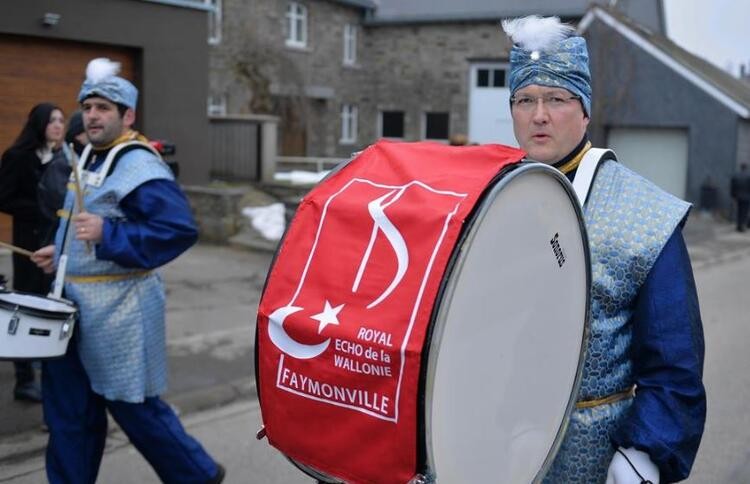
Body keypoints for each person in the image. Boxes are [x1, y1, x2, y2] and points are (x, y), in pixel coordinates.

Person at [502, 16, 706, 483]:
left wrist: (646, 450)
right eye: (525, 100)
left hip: (596, 456)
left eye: (556, 98)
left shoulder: (645, 215)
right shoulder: (486, 198)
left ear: (585, 110)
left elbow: (675, 360)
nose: (539, 115)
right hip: (501, 449)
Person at [31, 58, 225, 484]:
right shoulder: (91, 157)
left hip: (119, 311)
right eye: (89, 106)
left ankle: (197, 475)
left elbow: (176, 231)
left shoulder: (139, 164)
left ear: (127, 115)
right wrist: (59, 252)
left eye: (104, 107)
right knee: (69, 412)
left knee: (134, 408)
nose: (92, 115)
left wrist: (108, 234)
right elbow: (85, 224)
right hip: (72, 307)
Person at [0, 102, 66, 403]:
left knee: (51, 306)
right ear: (39, 124)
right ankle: (23, 379)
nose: (58, 125)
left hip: (56, 243)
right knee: (24, 307)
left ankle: (45, 365)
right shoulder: (17, 157)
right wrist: (42, 212)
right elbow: (5, 198)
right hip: (28, 243)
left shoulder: (66, 159)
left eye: (61, 120)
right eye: (52, 120)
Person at [730, 163, 750, 232]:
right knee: (745, 212)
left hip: (738, 197)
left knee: (739, 211)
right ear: (746, 168)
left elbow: (733, 187)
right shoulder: (748, 176)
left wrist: (733, 196)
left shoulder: (736, 176)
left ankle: (738, 225)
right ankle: (743, 226)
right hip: (747, 197)